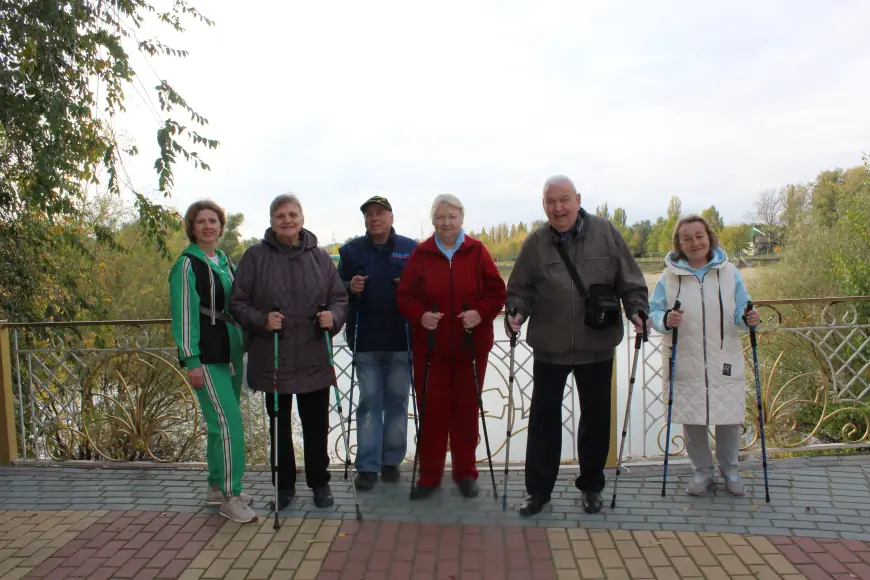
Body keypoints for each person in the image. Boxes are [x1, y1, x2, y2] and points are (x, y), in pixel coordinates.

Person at [505, 175, 649, 516]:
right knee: (543, 421)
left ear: (578, 199)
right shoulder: (536, 242)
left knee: (596, 419)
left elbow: (630, 280)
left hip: (596, 344)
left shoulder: (606, 233)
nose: (558, 207)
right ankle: (538, 492)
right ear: (544, 205)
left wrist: (637, 310)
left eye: (564, 200)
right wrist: (515, 313)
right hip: (550, 348)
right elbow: (520, 289)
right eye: (551, 202)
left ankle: (592, 486)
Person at [229, 193, 349, 510]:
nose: (287, 220)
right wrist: (262, 320)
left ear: (302, 218)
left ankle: (319, 483)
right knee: (279, 428)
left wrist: (332, 318)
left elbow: (339, 298)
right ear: (272, 221)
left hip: (313, 358)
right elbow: (238, 303)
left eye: (292, 214)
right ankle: (283, 487)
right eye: (280, 215)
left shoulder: (321, 257)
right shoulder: (255, 257)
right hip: (274, 357)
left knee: (316, 426)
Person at [397, 194, 506, 499]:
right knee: (431, 412)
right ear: (433, 221)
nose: (447, 222)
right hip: (431, 350)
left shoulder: (477, 251)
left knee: (466, 412)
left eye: (452, 216)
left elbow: (498, 292)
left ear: (462, 219)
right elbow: (404, 296)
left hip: (470, 348)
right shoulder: (421, 254)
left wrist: (480, 312)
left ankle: (465, 473)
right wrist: (421, 316)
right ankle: (429, 477)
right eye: (441, 217)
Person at [649, 214, 760, 496]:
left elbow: (741, 310)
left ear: (709, 237)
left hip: (724, 356)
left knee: (729, 415)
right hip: (685, 356)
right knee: (692, 417)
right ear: (679, 244)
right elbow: (654, 312)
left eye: (699, 235)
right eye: (687, 238)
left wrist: (748, 318)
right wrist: (665, 320)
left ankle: (730, 469)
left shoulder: (729, 272)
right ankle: (702, 472)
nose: (695, 242)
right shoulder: (669, 277)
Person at [169, 200, 257, 524]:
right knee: (230, 424)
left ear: (221, 226)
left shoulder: (223, 260)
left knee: (220, 426)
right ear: (192, 227)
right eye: (201, 221)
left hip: (231, 354)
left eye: (213, 221)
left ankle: (216, 487)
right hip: (206, 357)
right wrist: (190, 359)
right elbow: (184, 316)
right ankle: (231, 496)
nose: (208, 226)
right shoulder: (187, 265)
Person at [338, 196, 418, 491]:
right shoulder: (350, 251)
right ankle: (367, 466)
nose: (374, 219)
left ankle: (391, 462)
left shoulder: (411, 250)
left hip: (402, 339)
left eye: (380, 213)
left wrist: (409, 285)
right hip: (366, 340)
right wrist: (350, 286)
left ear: (391, 217)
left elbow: (424, 288)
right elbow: (337, 289)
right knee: (370, 403)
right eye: (369, 214)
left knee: (398, 403)